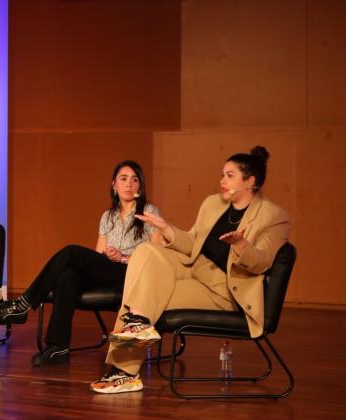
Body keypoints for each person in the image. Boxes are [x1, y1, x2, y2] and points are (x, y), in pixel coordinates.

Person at [91, 146, 290, 394]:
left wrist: (240, 244)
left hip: (224, 289)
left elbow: (262, 261)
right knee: (146, 252)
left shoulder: (273, 216)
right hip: (194, 268)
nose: (222, 181)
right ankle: (138, 326)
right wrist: (165, 228)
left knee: (144, 296)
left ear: (250, 181)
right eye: (222, 174)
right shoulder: (213, 203)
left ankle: (125, 372)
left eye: (229, 175)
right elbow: (193, 243)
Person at [0, 160, 161, 365]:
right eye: (123, 179)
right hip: (109, 269)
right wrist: (108, 255)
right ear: (114, 185)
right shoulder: (107, 216)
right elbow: (97, 254)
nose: (129, 184)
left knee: (71, 252)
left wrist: (123, 258)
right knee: (69, 275)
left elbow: (157, 256)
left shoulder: (148, 212)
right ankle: (58, 347)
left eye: (134, 180)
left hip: (132, 273)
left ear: (140, 186)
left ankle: (24, 303)